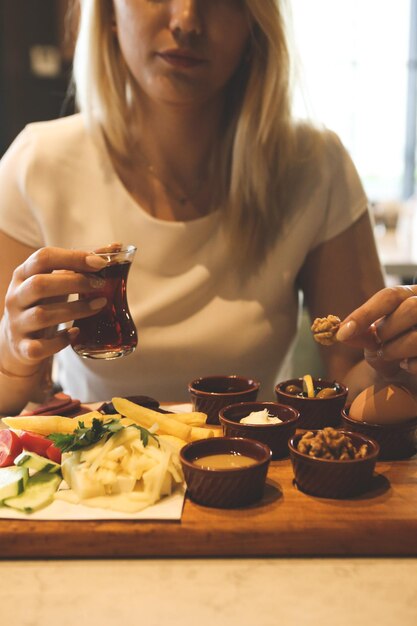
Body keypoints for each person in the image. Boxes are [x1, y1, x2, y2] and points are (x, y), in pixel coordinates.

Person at [0, 0, 415, 415]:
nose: (186, 21)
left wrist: (399, 360)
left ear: (255, 23)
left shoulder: (313, 165)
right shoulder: (36, 164)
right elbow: (9, 400)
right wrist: (14, 365)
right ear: (108, 12)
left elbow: (358, 380)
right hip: (101, 471)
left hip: (257, 468)